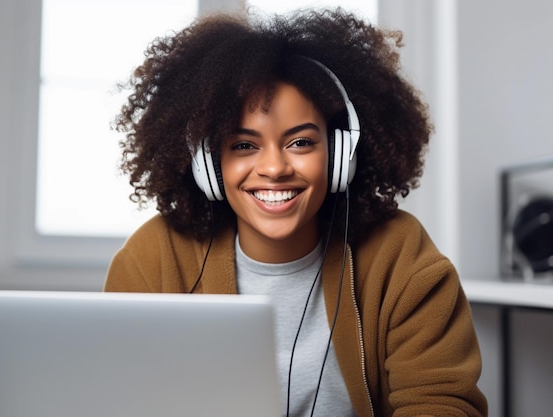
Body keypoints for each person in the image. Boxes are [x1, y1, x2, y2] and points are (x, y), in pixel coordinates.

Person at [114, 6, 488, 417]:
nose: (274, 168)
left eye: (301, 142)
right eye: (243, 145)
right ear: (208, 164)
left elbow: (441, 403)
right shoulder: (154, 259)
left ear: (341, 154)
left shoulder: (400, 257)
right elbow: (112, 397)